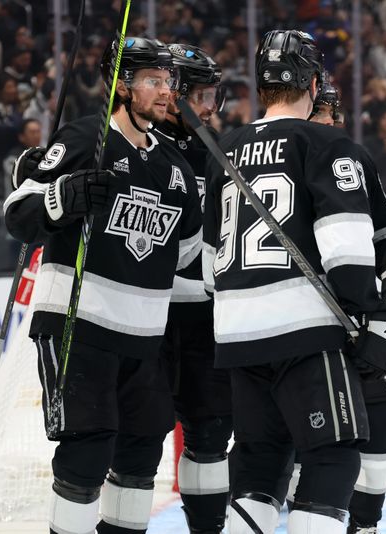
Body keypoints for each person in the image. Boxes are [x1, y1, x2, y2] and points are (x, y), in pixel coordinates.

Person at [203, 30, 386, 534]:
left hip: (236, 334)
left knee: (259, 466)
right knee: (334, 456)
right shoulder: (324, 141)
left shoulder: (224, 150)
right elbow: (346, 249)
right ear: (314, 83)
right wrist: (368, 315)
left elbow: (211, 267)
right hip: (304, 334)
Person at [3, 37, 202, 534]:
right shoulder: (84, 138)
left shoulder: (175, 167)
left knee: (140, 454)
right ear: (122, 85)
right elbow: (18, 213)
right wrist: (61, 196)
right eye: (153, 81)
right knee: (88, 450)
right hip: (78, 326)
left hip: (143, 339)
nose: (166, 92)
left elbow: (187, 252)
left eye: (169, 82)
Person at [298, 80, 386, 534]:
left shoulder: (354, 160)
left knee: (381, 416)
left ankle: (365, 523)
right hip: (304, 321)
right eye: (322, 112)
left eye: (335, 112)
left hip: (360, 315)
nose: (331, 121)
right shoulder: (285, 160)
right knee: (301, 435)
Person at [154, 43, 230, 534]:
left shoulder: (217, 153)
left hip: (205, 317)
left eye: (214, 97)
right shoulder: (135, 144)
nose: (210, 108)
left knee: (208, 435)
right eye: (203, 95)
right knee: (134, 434)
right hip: (146, 316)